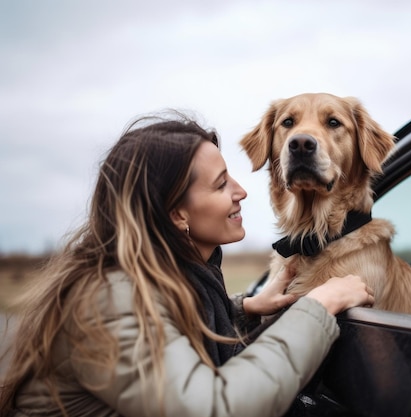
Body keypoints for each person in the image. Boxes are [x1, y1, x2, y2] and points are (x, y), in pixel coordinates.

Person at [0, 112, 374, 417]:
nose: (241, 192)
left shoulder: (159, 278)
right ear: (177, 214)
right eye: (221, 184)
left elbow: (169, 332)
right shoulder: (110, 299)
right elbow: (211, 407)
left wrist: (241, 309)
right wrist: (317, 307)